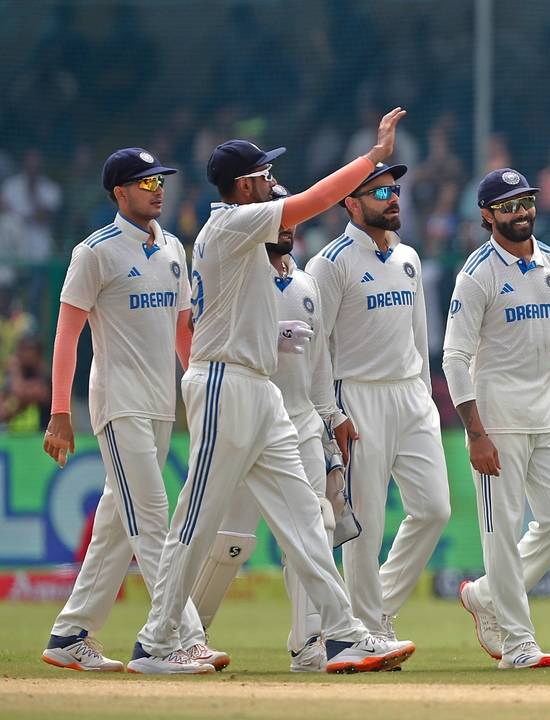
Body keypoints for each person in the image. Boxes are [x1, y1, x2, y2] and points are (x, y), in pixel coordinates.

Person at [131, 108, 417, 674]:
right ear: (243, 187)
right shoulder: (230, 224)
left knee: (308, 518)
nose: (272, 182)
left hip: (259, 388)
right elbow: (312, 202)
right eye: (264, 175)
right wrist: (372, 158)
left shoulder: (247, 234)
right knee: (196, 520)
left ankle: (341, 634)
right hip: (223, 381)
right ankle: (156, 642)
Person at [41, 148, 226, 672]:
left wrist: (201, 388)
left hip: (161, 404)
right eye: (145, 183)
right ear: (119, 193)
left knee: (115, 527)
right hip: (118, 404)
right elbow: (67, 334)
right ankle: (173, 640)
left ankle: (69, 634)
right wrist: (59, 411)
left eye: (159, 180)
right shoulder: (94, 252)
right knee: (152, 520)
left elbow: (183, 330)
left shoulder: (172, 248)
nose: (157, 189)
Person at [190, 184, 361, 672]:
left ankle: (309, 642)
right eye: (278, 220)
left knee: (314, 525)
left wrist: (331, 418)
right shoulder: (240, 272)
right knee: (230, 542)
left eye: (290, 221)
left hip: (300, 419)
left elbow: (320, 360)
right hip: (245, 414)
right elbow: (213, 330)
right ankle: (190, 632)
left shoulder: (306, 284)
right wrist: (272, 335)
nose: (286, 228)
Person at [445, 169, 550, 669]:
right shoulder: (477, 273)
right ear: (487, 215)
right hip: (498, 422)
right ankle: (517, 641)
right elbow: (454, 358)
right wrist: (476, 433)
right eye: (508, 206)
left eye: (526, 202)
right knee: (501, 532)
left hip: (548, 416)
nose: (521, 212)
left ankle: (485, 595)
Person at [306, 162, 451, 645]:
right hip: (358, 395)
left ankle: (378, 608)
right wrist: (331, 414)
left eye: (395, 190)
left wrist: (425, 395)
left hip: (410, 394)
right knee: (364, 524)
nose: (394, 200)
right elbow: (317, 348)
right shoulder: (330, 263)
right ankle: (365, 629)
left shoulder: (409, 257)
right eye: (381, 193)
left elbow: (418, 335)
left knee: (434, 509)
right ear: (351, 203)